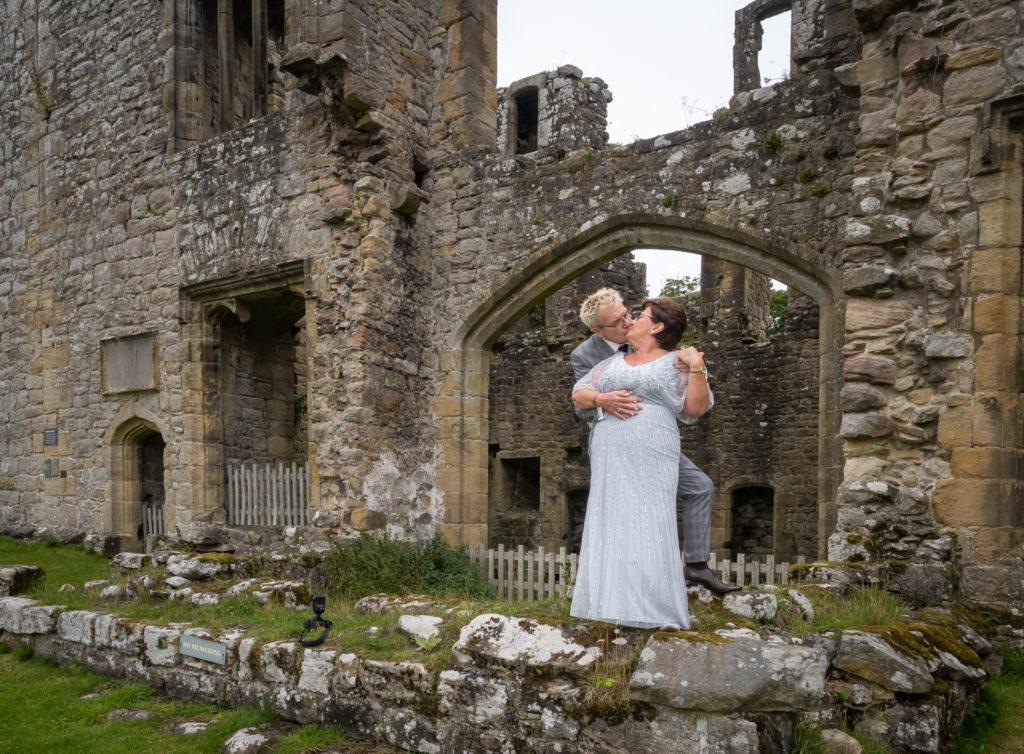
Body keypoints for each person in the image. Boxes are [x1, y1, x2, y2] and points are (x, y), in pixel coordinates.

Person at [570, 288, 738, 595]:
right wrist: (604, 401)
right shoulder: (586, 355)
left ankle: (696, 567)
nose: (628, 321)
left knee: (698, 486)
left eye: (628, 314)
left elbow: (691, 406)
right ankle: (619, 581)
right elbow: (581, 409)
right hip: (615, 443)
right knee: (623, 510)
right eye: (619, 320)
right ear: (599, 330)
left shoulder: (667, 355)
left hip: (654, 444)